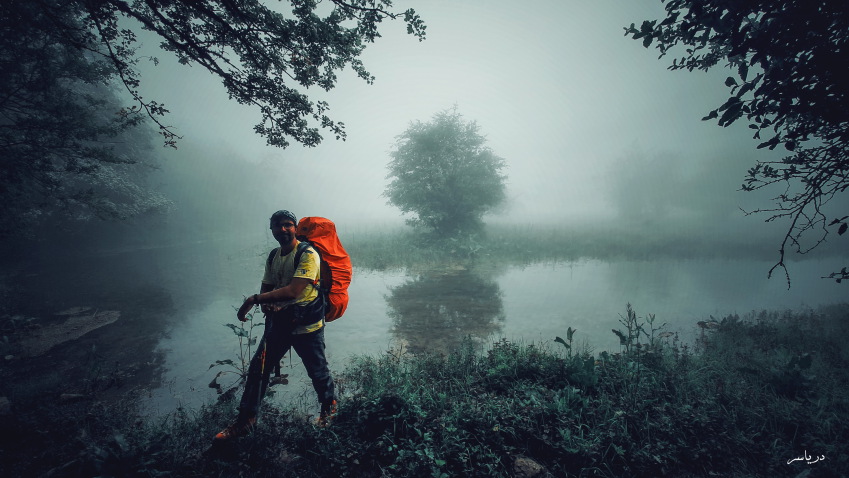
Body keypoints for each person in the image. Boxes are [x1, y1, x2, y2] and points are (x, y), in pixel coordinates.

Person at [214, 209, 337, 441]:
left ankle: (328, 409)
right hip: (279, 325)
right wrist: (266, 303)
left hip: (306, 326)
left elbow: (294, 290)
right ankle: (246, 421)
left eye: (288, 225)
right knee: (258, 370)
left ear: (295, 228)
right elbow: (267, 285)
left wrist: (254, 300)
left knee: (317, 371)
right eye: (277, 226)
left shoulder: (308, 253)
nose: (282, 229)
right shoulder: (274, 255)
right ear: (271, 230)